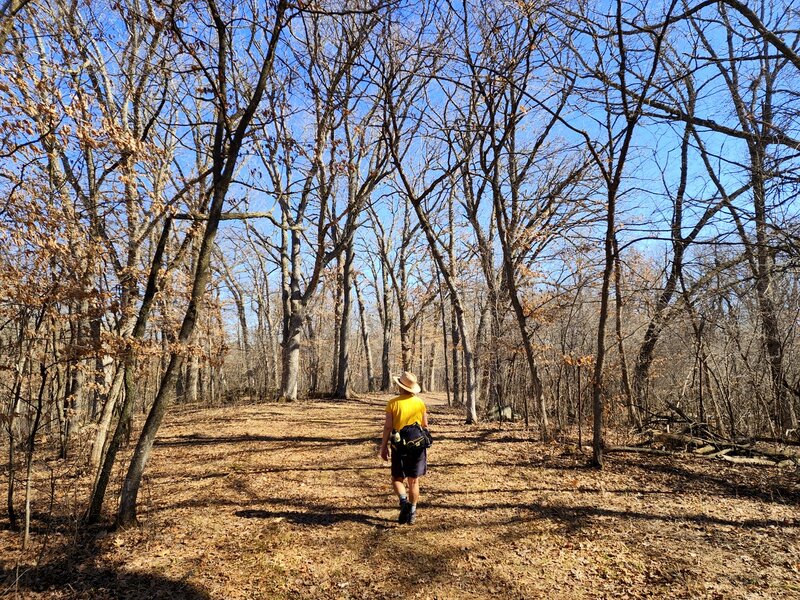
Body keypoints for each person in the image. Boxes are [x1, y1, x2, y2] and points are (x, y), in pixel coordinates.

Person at [379, 371, 428, 525]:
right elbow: (425, 425)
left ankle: (403, 502)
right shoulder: (419, 403)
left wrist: (383, 447)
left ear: (399, 386)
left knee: (397, 478)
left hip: (398, 446)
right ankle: (412, 512)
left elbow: (388, 427)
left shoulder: (393, 403)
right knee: (414, 481)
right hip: (417, 446)